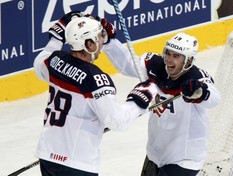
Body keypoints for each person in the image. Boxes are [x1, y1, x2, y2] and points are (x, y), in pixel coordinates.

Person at [33, 11, 157, 176]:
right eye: (99, 38)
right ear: (89, 45)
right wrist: (140, 97)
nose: (102, 41)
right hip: (77, 163)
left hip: (48, 155)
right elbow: (117, 121)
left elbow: (39, 61)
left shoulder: (54, 61)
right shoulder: (96, 79)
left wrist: (57, 36)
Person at [102, 30, 221, 175]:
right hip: (155, 153)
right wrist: (108, 41)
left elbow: (214, 99)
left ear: (188, 61)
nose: (169, 59)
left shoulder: (197, 79)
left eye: (176, 56)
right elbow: (127, 63)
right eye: (168, 53)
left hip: (184, 157)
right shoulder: (155, 66)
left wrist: (200, 92)